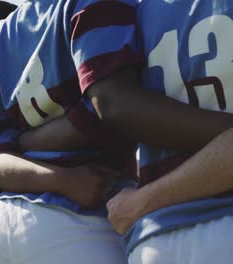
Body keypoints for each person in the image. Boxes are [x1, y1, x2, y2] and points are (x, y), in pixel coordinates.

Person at [13, 0, 233, 263]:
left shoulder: (134, 12)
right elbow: (111, 105)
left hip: (155, 237)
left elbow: (110, 105)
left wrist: (144, 200)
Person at [0, 0, 144, 263]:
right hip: (80, 224)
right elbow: (107, 108)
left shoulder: (4, 32)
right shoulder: (89, 5)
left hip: (7, 223)